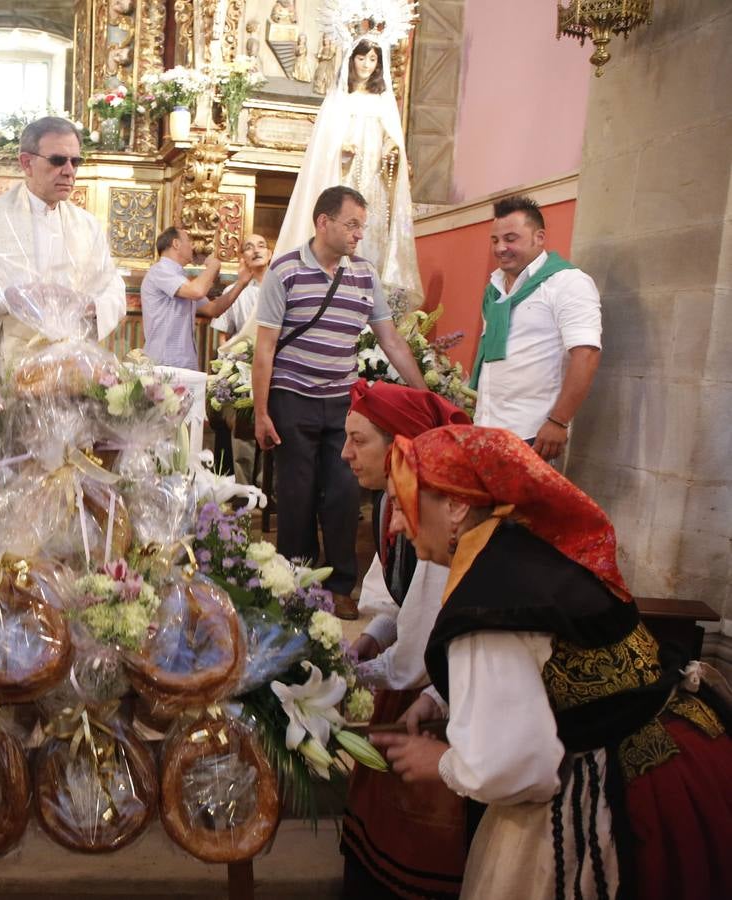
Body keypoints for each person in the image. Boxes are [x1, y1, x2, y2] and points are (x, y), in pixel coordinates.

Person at [374, 425, 731, 900]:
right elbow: (543, 658)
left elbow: (518, 768)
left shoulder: (487, 604)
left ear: (456, 505)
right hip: (682, 745)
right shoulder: (521, 544)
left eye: (403, 504)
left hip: (623, 790)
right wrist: (442, 699)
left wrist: (441, 762)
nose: (395, 525)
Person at [252, 185, 425, 620]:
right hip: (292, 398)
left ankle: (341, 587)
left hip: (343, 404)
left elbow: (391, 340)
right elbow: (265, 347)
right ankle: (296, 586)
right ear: (323, 222)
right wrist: (261, 412)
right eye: (351, 225)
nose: (358, 234)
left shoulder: (364, 275)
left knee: (345, 496)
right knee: (296, 496)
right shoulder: (285, 271)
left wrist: (423, 396)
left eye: (361, 226)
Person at [337, 379, 470, 899]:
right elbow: (396, 595)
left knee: (417, 839)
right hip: (417, 679)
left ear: (400, 447)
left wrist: (350, 673)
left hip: (438, 695)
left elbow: (419, 654)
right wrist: (371, 637)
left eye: (359, 440)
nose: (345, 453)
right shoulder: (393, 503)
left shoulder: (439, 522)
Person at [0, 116, 127, 390]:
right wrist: (6, 300)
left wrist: (90, 305)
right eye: (58, 160)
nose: (69, 171)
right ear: (26, 163)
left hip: (71, 371)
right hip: (1, 362)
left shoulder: (87, 226)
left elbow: (114, 291)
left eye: (76, 161)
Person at [268, 28, 420, 310]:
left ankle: (367, 298)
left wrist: (392, 148)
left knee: (369, 236)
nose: (366, 65)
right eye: (361, 58)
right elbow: (325, 146)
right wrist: (342, 150)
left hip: (373, 180)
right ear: (351, 60)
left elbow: (392, 139)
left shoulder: (382, 102)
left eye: (372, 59)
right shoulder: (339, 100)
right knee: (343, 228)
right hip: (345, 177)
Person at [470, 196, 602, 463]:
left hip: (532, 432)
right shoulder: (494, 289)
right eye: (495, 240)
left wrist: (558, 421)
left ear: (539, 237)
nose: (500, 248)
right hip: (485, 426)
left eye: (511, 239)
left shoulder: (567, 283)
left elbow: (586, 354)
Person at [140, 226, 253, 370]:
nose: (192, 246)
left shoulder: (180, 278)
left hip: (182, 364)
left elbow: (213, 309)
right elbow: (197, 291)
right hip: (165, 364)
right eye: (189, 241)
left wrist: (241, 283)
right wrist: (213, 265)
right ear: (176, 244)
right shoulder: (160, 270)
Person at [210, 233, 269, 484]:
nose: (256, 250)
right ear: (242, 257)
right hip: (242, 367)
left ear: (270, 254)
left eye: (261, 245)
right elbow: (223, 336)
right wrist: (229, 367)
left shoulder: (280, 287)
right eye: (249, 247)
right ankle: (243, 490)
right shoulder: (234, 291)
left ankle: (267, 487)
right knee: (243, 432)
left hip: (272, 366)